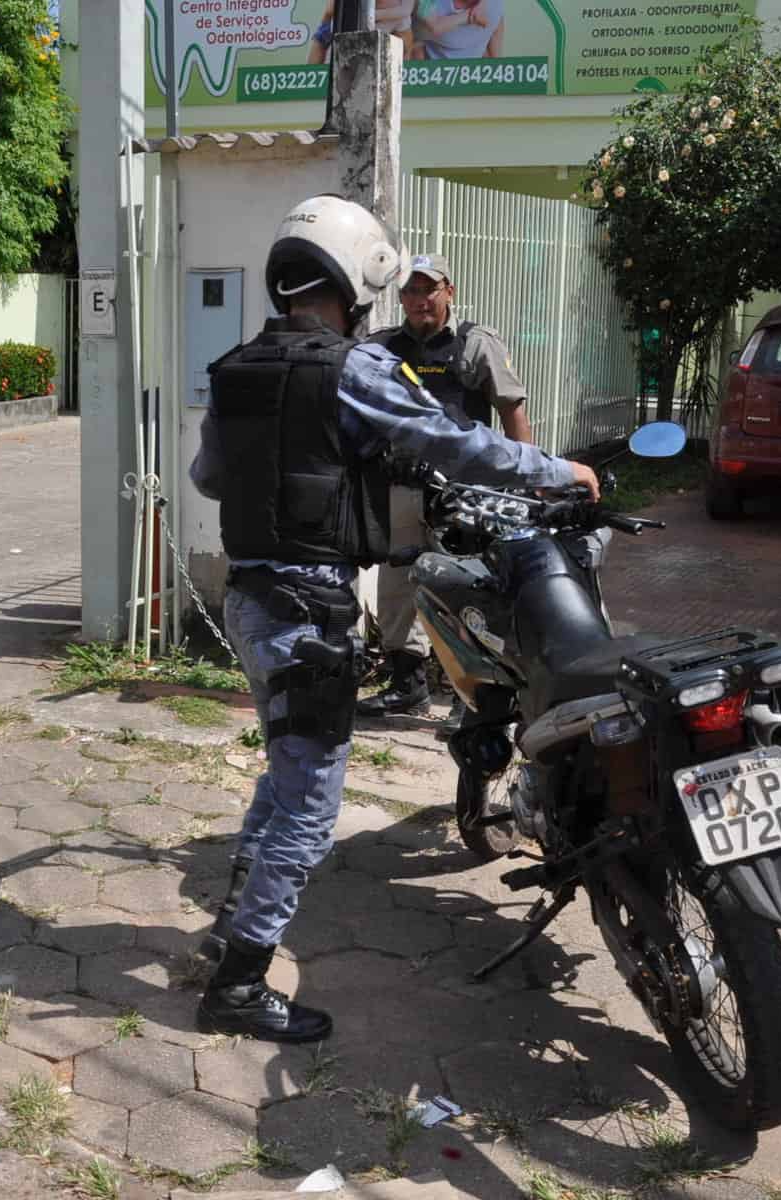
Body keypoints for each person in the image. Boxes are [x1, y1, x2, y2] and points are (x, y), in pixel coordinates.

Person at [189, 194, 598, 1042]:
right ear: (361, 278)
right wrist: (550, 469)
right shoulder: (352, 368)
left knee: (281, 771)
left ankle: (231, 925)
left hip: (249, 603)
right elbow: (454, 440)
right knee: (308, 801)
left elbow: (207, 479)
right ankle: (236, 982)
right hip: (308, 612)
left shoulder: (234, 367)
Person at [358, 251, 535, 717]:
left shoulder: (476, 344)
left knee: (467, 586)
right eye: (410, 291)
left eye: (428, 289)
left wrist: (524, 480)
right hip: (401, 487)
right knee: (398, 586)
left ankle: (472, 693)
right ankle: (408, 684)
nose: (419, 300)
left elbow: (512, 411)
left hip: (462, 493)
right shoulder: (384, 347)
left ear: (448, 292)